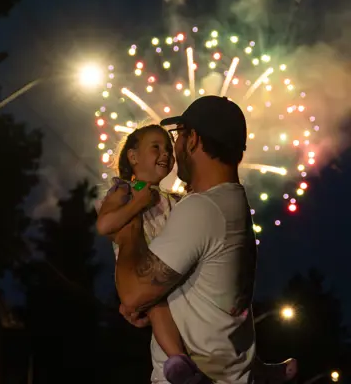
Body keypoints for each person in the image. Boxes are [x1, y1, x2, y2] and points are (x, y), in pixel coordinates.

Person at [112, 96, 294, 383]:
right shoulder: (232, 203)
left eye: (178, 136)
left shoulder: (202, 209)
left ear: (193, 139)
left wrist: (127, 226)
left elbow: (133, 292)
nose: (173, 149)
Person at [97, 124, 212, 383]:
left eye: (169, 150)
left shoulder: (172, 199)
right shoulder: (124, 191)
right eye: (156, 147)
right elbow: (105, 224)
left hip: (173, 272)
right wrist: (137, 204)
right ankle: (178, 362)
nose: (166, 155)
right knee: (157, 309)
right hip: (142, 272)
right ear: (133, 157)